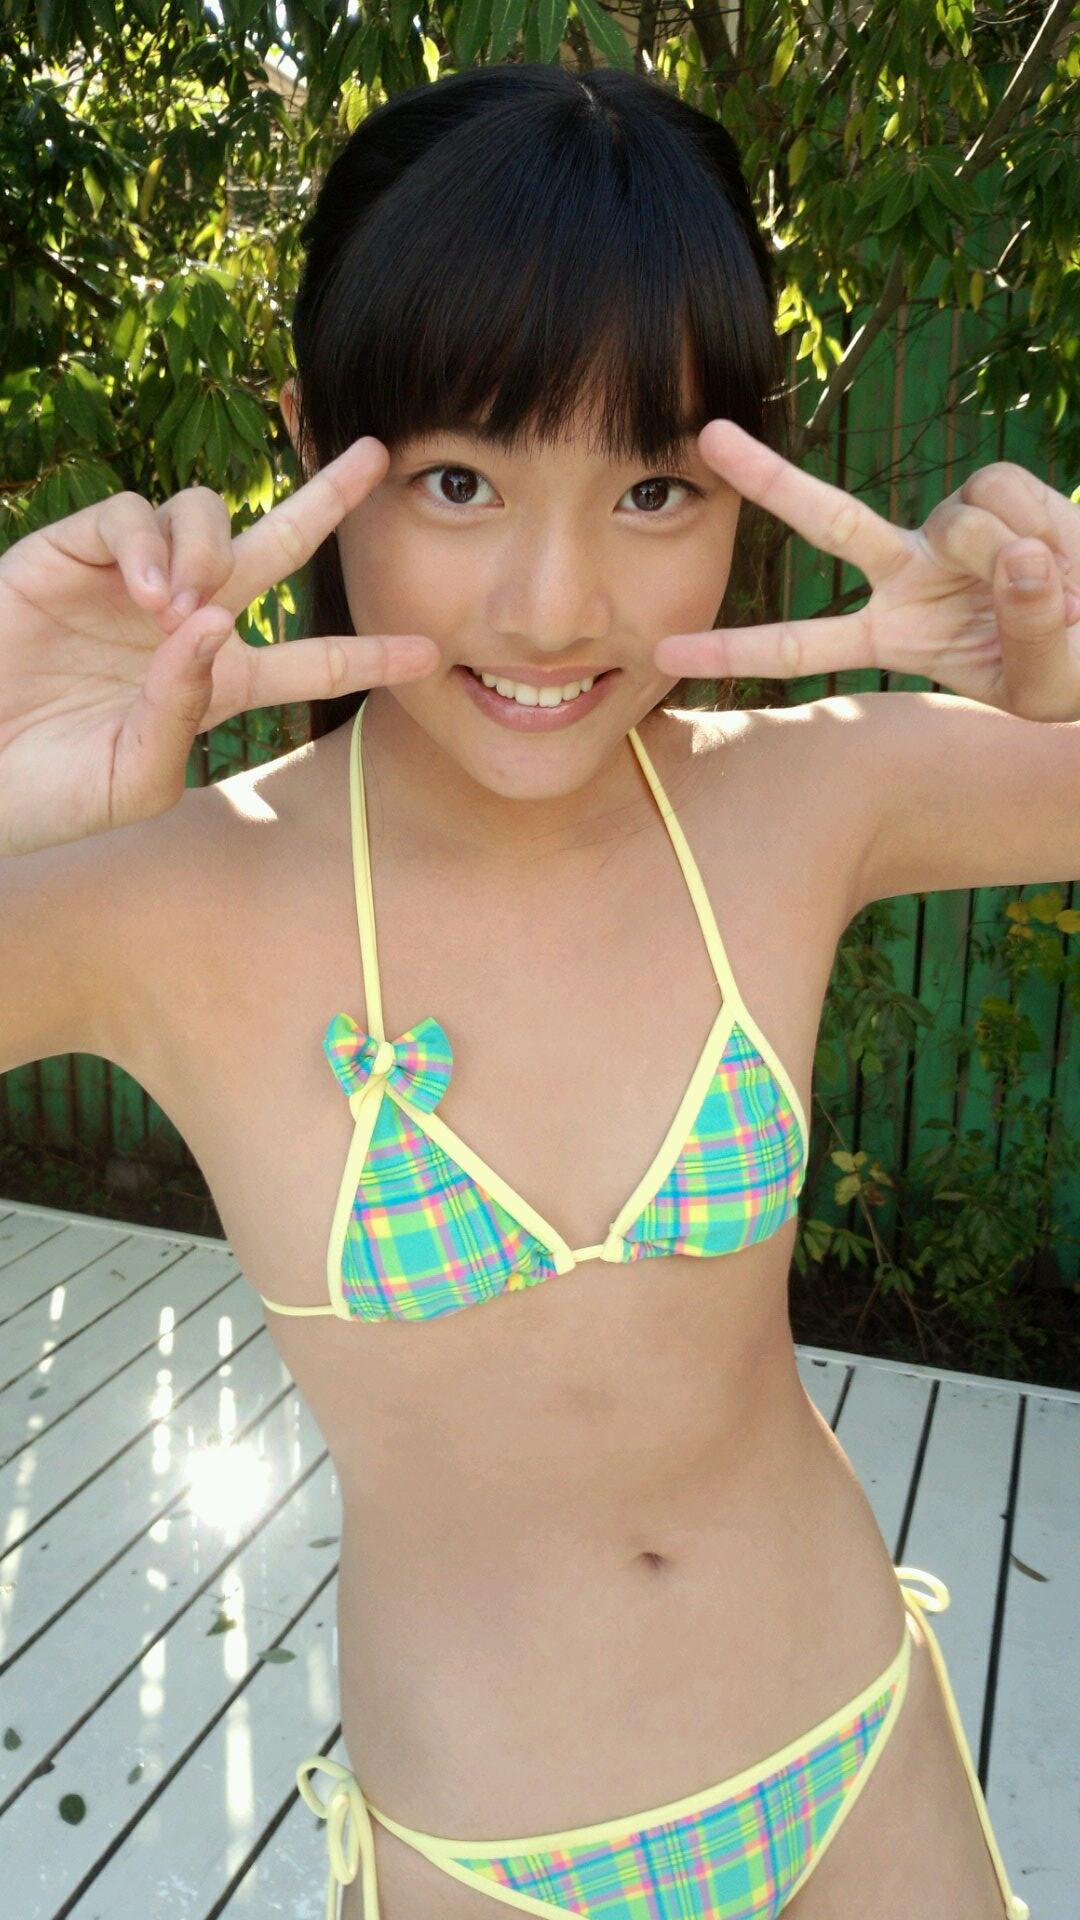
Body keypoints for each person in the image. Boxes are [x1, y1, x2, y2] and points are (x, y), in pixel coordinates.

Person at [7, 57, 1074, 1920]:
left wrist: (1064, 662)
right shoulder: (176, 897)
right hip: (493, 1852)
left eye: (654, 486)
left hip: (852, 1740)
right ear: (312, 445)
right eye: (458, 480)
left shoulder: (799, 798)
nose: (557, 602)